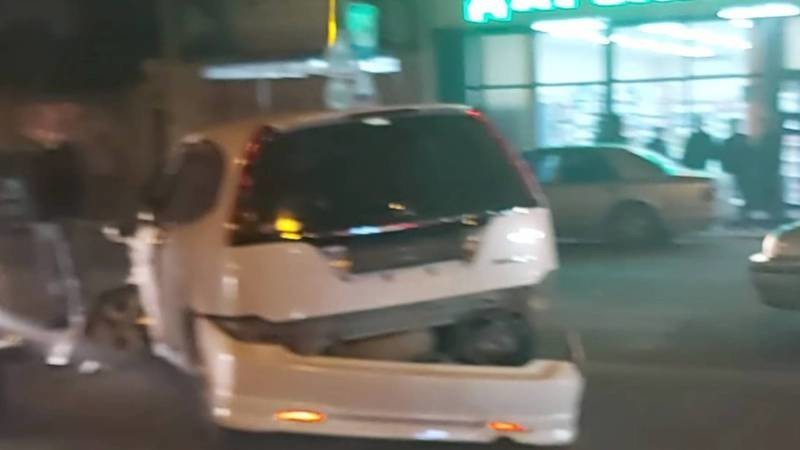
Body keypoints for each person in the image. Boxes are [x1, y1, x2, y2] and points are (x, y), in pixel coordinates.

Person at [721, 120, 756, 223]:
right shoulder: (747, 141)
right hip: (745, 171)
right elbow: (751, 156)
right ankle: (744, 213)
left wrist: (726, 168)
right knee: (744, 191)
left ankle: (737, 213)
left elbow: (725, 156)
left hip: (733, 170)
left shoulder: (728, 141)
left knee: (734, 191)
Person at [758, 117, 786, 224]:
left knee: (772, 194)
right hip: (773, 172)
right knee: (774, 195)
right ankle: (775, 216)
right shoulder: (774, 137)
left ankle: (774, 215)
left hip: (770, 172)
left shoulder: (769, 137)